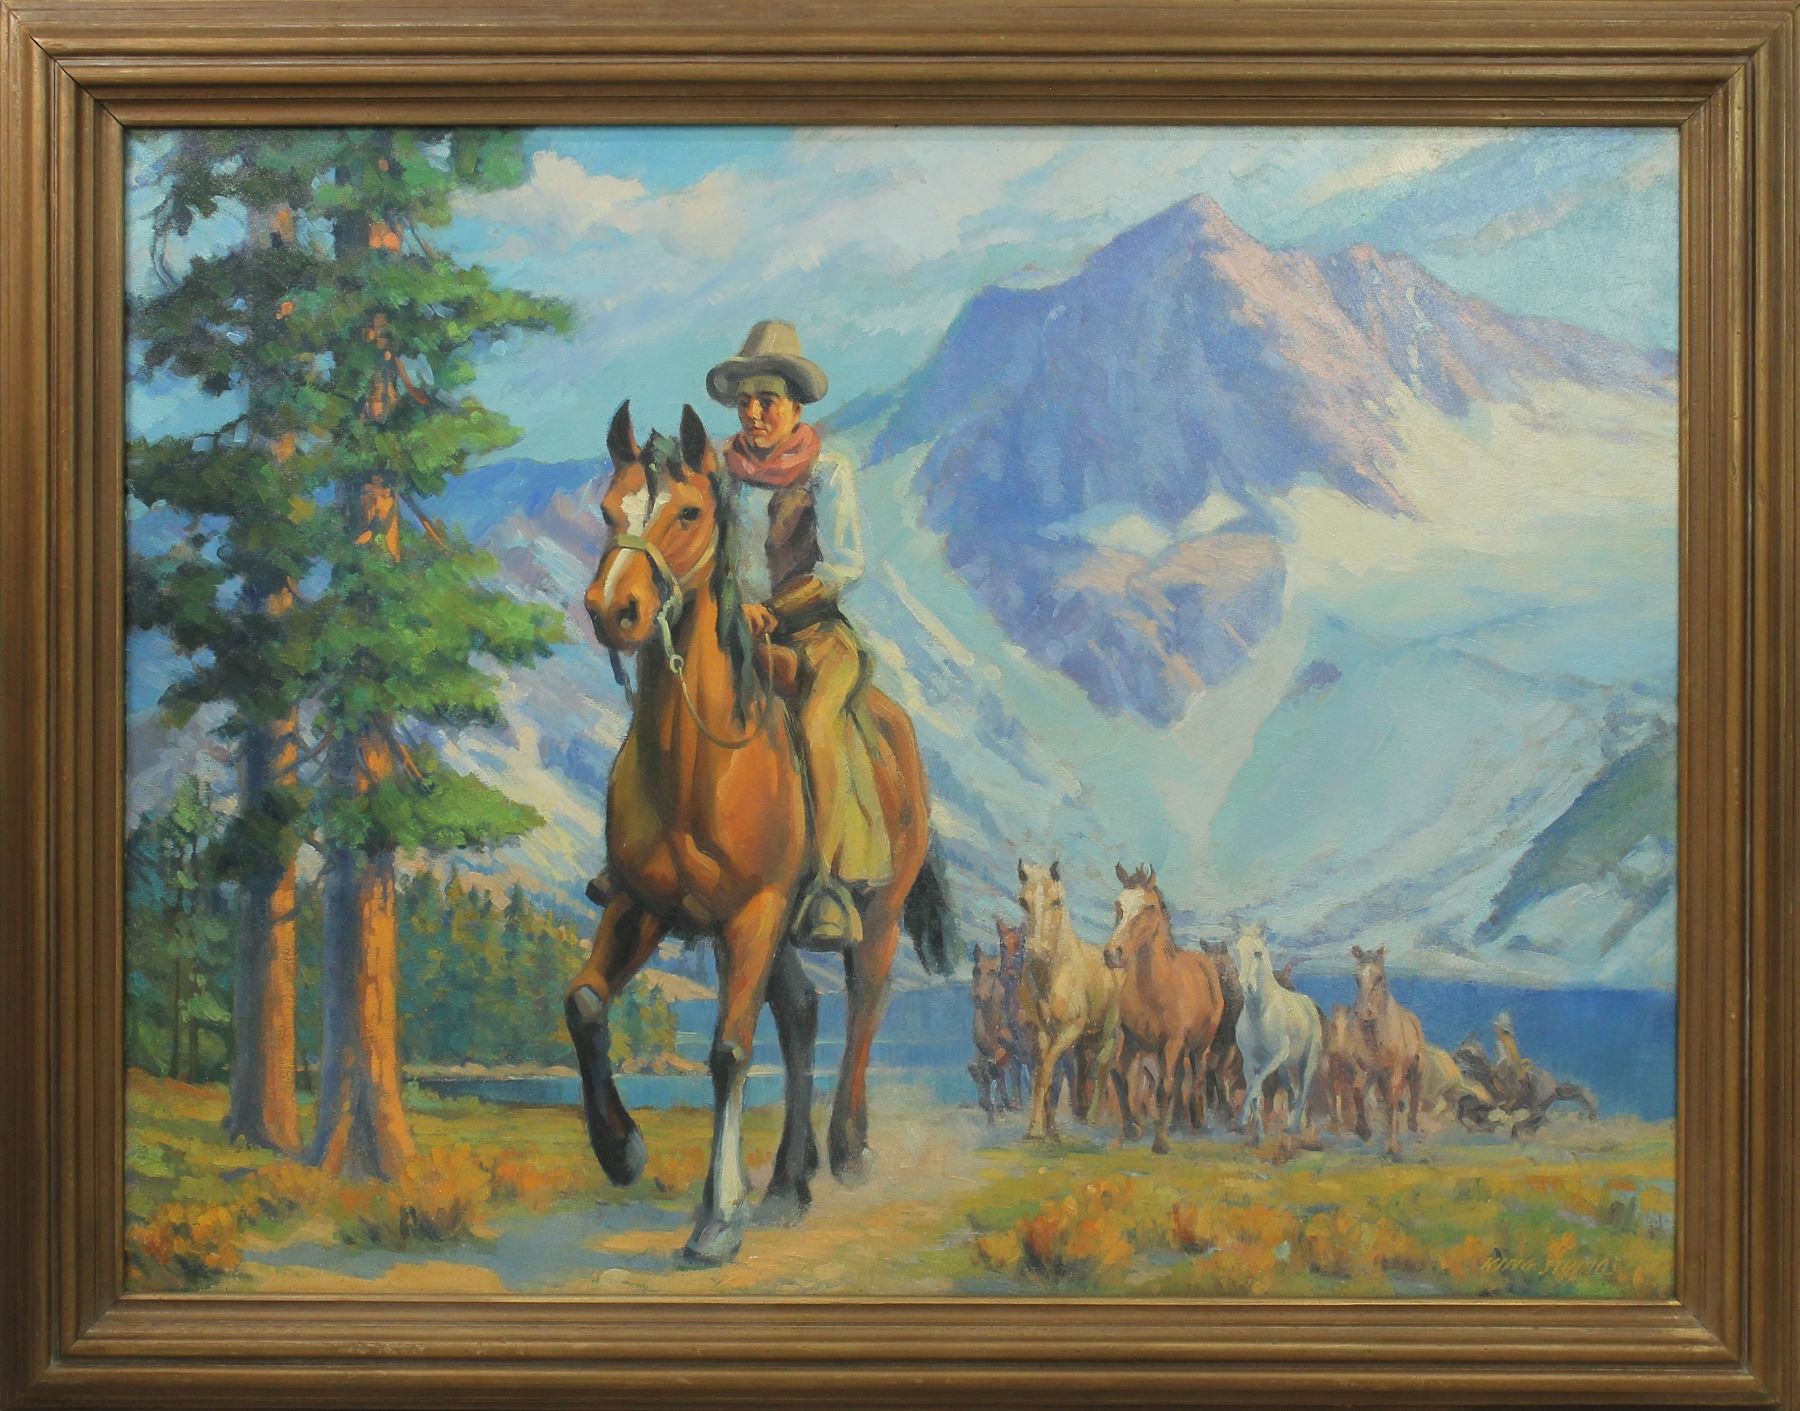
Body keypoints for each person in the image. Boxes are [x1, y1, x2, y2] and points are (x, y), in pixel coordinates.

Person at [706, 320, 889, 947]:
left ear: (795, 407)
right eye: (745, 402)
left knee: (815, 723)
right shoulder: (719, 474)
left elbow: (844, 565)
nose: (754, 414)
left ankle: (828, 882)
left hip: (814, 635)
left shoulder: (826, 472)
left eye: (768, 401)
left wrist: (776, 611)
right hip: (733, 630)